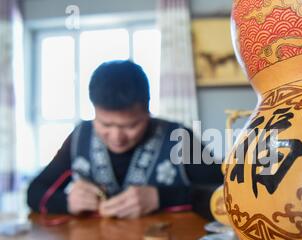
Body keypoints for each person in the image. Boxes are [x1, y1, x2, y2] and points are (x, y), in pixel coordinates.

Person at [27, 60, 222, 219]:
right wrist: (68, 202)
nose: (117, 137)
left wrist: (160, 198)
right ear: (94, 112)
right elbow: (34, 193)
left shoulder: (180, 138)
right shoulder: (80, 136)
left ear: (148, 112)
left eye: (130, 126)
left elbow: (225, 195)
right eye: (105, 124)